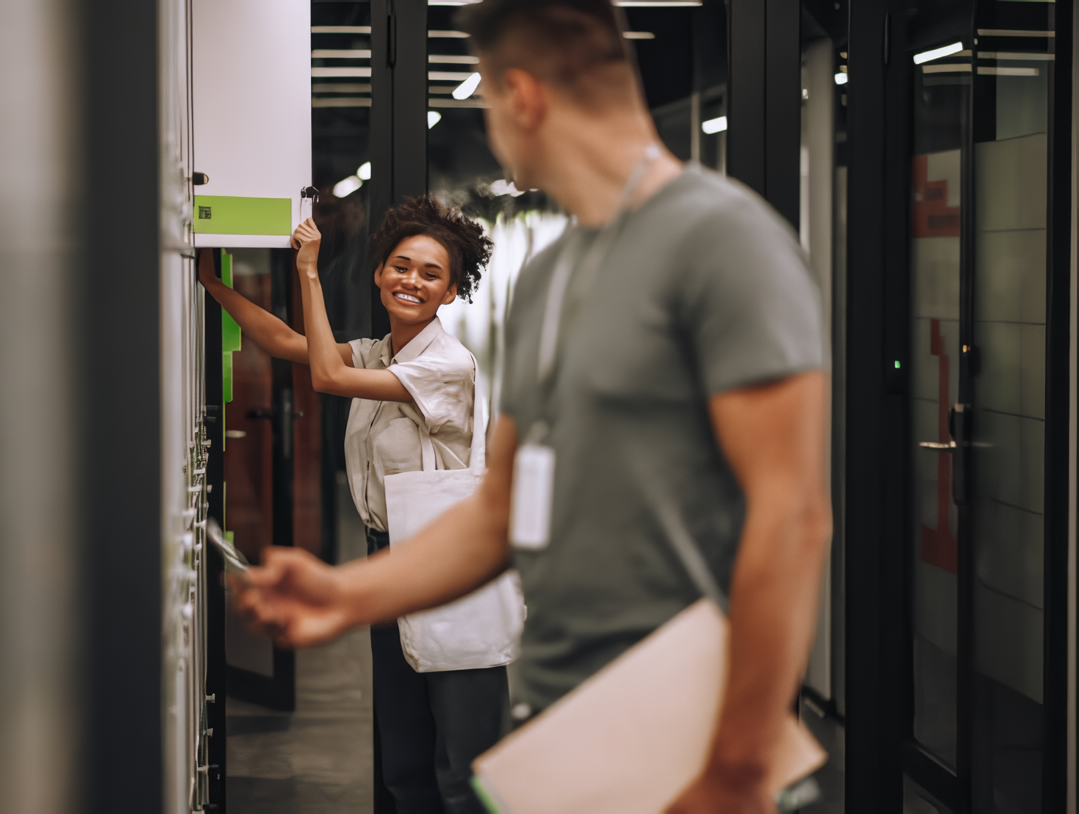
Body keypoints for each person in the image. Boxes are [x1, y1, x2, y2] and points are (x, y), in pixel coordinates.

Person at [230, 1, 832, 812]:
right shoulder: (553, 277)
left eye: (483, 101)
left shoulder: (724, 242)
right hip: (561, 705)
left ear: (522, 95)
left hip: (681, 728)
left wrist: (740, 755)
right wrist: (347, 596)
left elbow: (791, 517)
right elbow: (498, 510)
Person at [198, 196, 509, 814]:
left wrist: (307, 271)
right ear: (378, 274)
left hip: (448, 572)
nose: (411, 281)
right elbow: (287, 341)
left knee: (463, 766)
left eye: (429, 274)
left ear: (449, 293)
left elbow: (325, 378)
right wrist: (211, 283)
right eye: (401, 266)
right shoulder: (380, 352)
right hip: (387, 565)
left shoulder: (445, 366)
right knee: (404, 755)